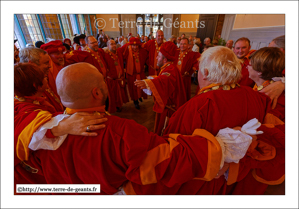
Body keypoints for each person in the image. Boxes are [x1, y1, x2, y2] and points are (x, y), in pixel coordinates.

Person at [162, 46, 285, 195]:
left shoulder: (198, 105)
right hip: (236, 177)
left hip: (202, 182)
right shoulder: (257, 97)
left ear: (205, 73)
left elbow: (175, 151)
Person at [14, 63, 108, 193]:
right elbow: (28, 133)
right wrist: (62, 127)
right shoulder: (27, 111)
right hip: (30, 177)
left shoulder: (26, 101)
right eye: (45, 77)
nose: (48, 79)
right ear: (37, 85)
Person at [135, 41, 187, 136]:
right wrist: (152, 80)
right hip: (169, 108)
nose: (156, 58)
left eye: (158, 56)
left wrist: (149, 83)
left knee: (165, 133)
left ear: (164, 59)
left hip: (169, 112)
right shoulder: (168, 67)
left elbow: (165, 79)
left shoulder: (170, 69)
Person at [19, 47, 64, 112]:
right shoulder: (28, 88)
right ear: (31, 64)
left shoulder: (42, 79)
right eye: (46, 63)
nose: (49, 66)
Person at [248, 47, 285, 122]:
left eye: (250, 65)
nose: (247, 66)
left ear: (259, 71)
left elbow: (270, 128)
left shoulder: (273, 97)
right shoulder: (262, 86)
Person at [121, 37, 148, 109]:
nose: (135, 47)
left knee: (141, 87)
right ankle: (135, 102)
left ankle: (139, 97)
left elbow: (147, 48)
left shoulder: (142, 51)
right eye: (133, 45)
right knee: (133, 90)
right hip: (131, 75)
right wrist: (127, 44)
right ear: (130, 45)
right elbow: (119, 51)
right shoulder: (127, 51)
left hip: (140, 73)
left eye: (136, 45)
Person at [102, 40, 129, 113]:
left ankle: (119, 105)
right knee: (113, 95)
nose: (114, 45)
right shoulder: (105, 55)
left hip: (120, 79)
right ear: (107, 46)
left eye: (114, 44)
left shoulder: (118, 52)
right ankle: (115, 107)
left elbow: (124, 47)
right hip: (111, 80)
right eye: (111, 44)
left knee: (120, 94)